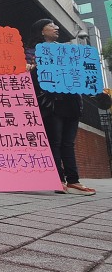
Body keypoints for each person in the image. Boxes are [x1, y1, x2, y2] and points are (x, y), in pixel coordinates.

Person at [26, 19, 96, 195]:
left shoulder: (66, 49)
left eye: (57, 26)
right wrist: (32, 67)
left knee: (68, 143)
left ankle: (73, 180)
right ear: (41, 31)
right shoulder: (31, 52)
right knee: (55, 142)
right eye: (51, 26)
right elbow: (29, 77)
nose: (56, 28)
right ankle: (58, 179)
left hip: (71, 102)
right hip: (51, 102)